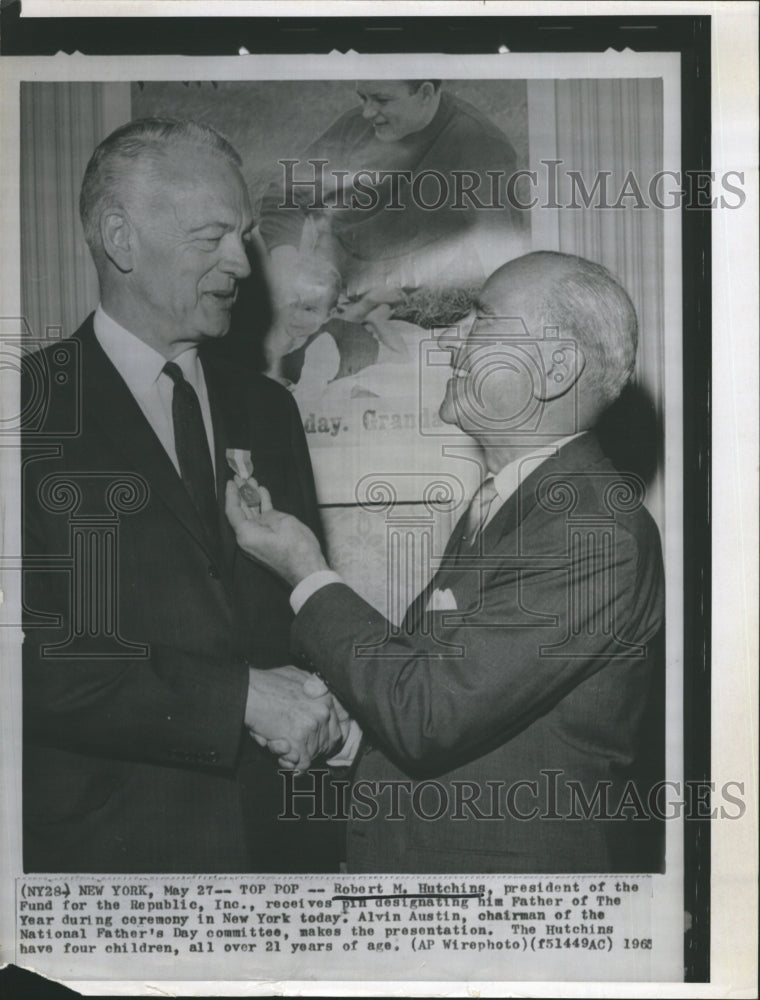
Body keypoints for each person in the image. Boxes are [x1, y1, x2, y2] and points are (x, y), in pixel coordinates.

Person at [225, 250, 666, 874]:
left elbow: (427, 715)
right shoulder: (514, 504)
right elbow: (455, 705)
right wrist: (341, 729)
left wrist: (306, 572)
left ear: (555, 369)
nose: (452, 344)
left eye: (482, 323)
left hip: (508, 922)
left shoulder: (594, 530)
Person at [21, 118, 347, 873]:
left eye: (247, 234)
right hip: (110, 857)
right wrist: (235, 701)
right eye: (213, 237)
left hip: (280, 843)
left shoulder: (270, 412)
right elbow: (23, 655)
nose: (241, 261)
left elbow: (297, 616)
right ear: (121, 239)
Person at [258, 80, 528, 311]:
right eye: (363, 98)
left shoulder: (481, 146)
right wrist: (285, 264)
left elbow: (499, 265)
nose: (366, 112)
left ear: (424, 93)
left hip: (413, 301)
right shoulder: (355, 127)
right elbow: (285, 195)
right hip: (333, 277)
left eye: (381, 100)